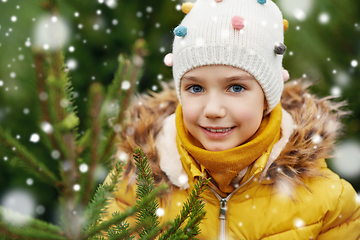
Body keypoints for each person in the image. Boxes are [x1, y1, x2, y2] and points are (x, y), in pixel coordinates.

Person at [102, 0, 360, 239]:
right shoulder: (135, 185)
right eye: (195, 88)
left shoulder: (326, 201)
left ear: (267, 97)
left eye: (236, 88)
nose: (213, 110)